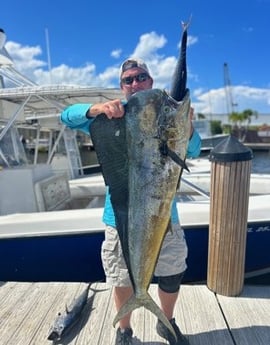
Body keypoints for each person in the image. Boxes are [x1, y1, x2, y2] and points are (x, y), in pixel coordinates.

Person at [61, 58, 201, 345]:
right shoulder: (113, 116)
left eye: (140, 77)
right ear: (122, 86)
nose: (135, 83)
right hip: (120, 217)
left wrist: (186, 127)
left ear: (150, 81)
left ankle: (166, 322)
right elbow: (66, 116)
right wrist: (95, 108)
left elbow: (195, 150)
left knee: (172, 273)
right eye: (128, 80)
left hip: (165, 217)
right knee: (121, 278)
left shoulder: (165, 113)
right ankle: (124, 330)